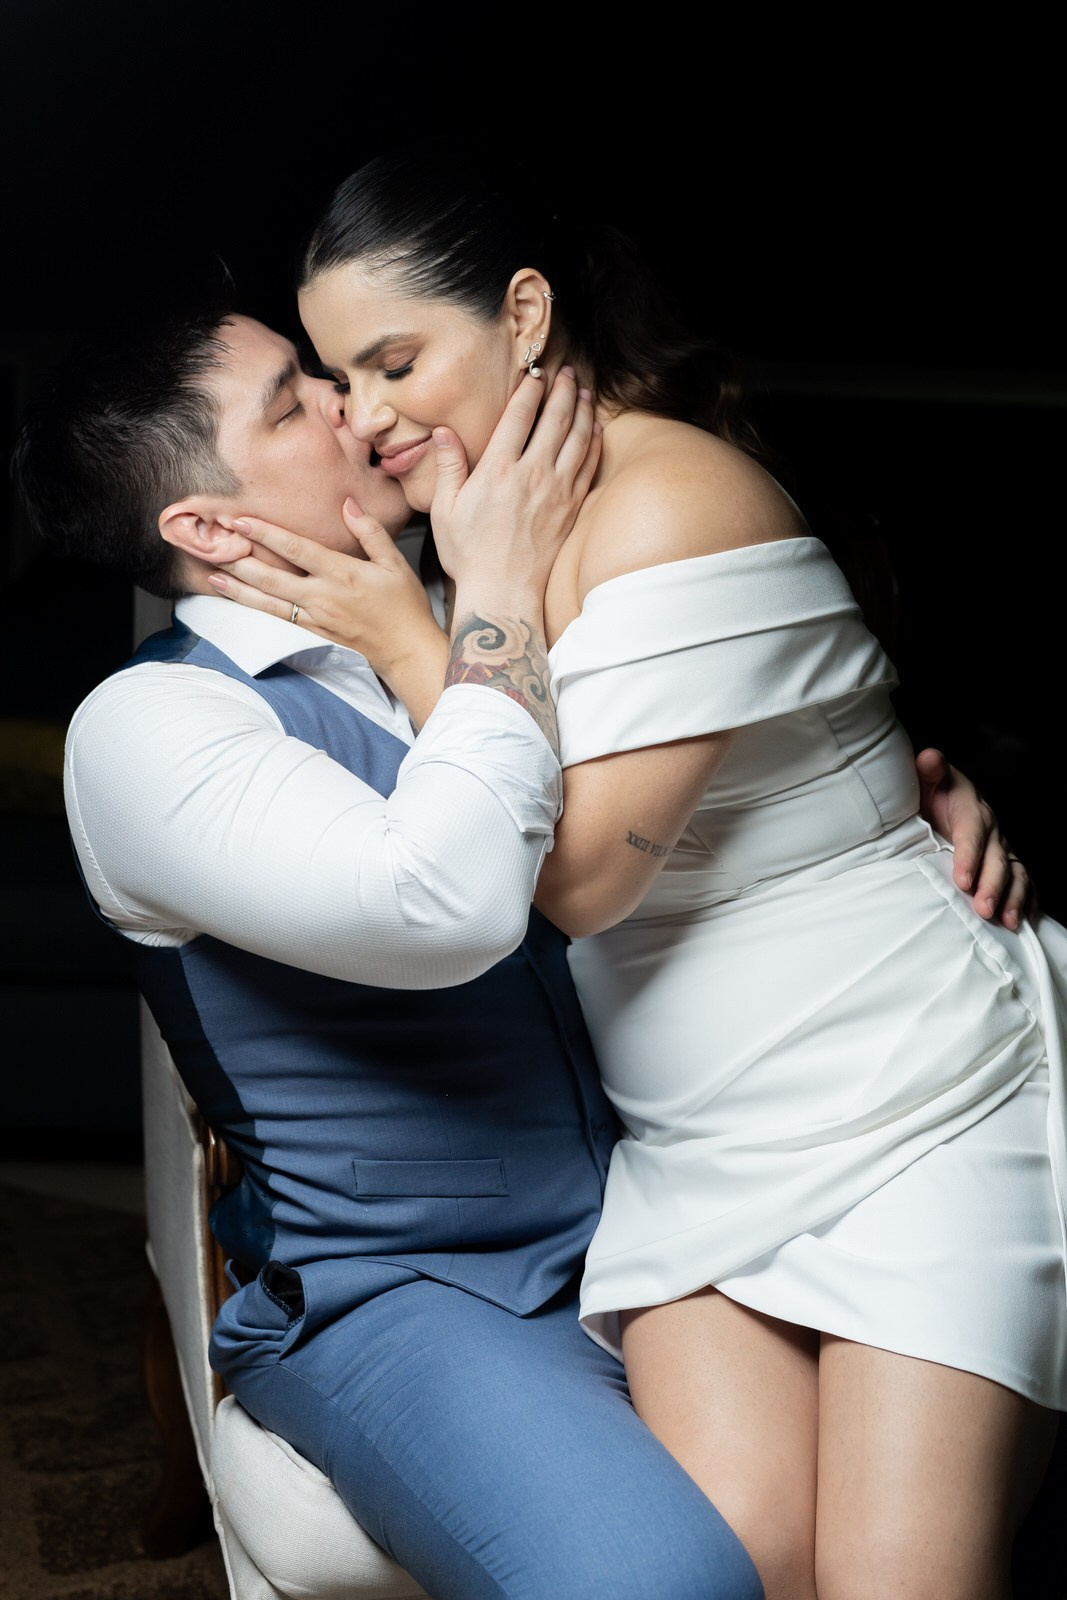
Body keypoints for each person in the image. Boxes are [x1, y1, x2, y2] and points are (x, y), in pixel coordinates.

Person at [208, 142, 1065, 1600]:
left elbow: (580, 884)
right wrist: (458, 601)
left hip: (916, 1094)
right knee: (731, 1566)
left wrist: (421, 641)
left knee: (895, 1578)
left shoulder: (670, 500)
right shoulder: (476, 538)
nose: (366, 415)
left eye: (396, 362)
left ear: (526, 315)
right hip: (694, 1142)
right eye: (341, 380)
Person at [11, 304, 768, 1600]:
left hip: (668, 1201)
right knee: (661, 1582)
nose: (353, 406)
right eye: (294, 403)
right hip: (409, 1292)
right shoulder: (151, 728)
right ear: (209, 529)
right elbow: (446, 906)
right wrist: (496, 598)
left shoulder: (478, 600)